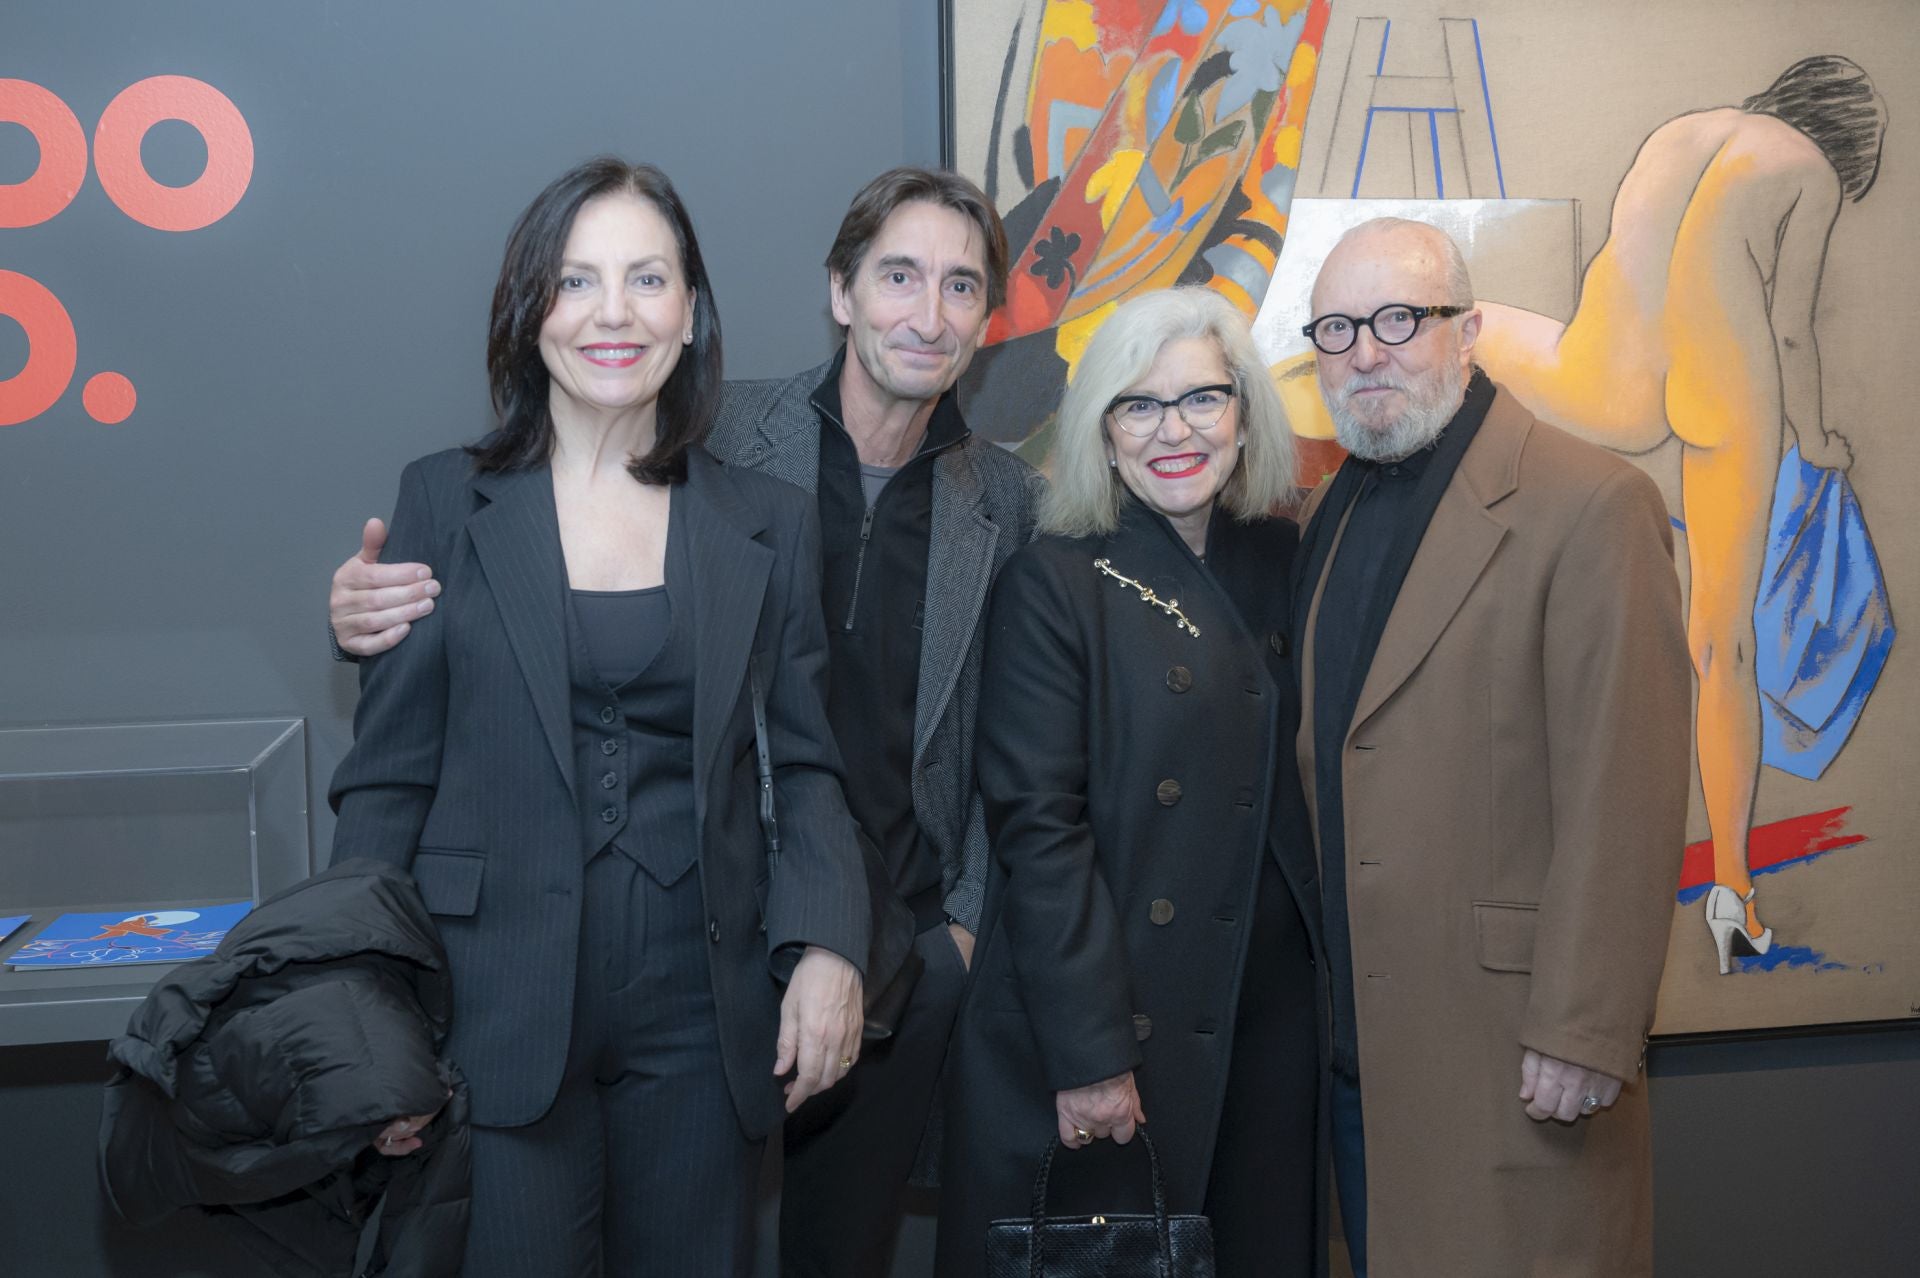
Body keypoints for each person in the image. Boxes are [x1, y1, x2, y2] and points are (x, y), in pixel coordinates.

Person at [326, 167, 1042, 1277]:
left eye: (647, 278)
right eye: (577, 281)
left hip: (700, 1024)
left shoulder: (756, 518)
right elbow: (385, 788)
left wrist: (824, 945)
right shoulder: (443, 502)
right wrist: (361, 1029)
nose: (615, 311)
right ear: (529, 312)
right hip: (493, 1008)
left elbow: (808, 770)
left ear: (691, 309)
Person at [1293, 217, 1691, 1275]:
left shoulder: (1592, 502)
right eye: (1337, 328)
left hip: (1515, 1051)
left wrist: (1586, 1025)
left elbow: (1631, 787)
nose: (1366, 352)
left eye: (1397, 320)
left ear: (1466, 330)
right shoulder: (1331, 508)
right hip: (1359, 1055)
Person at [937, 287, 1323, 1277]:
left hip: (1265, 1023)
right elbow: (1038, 832)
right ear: (1101, 436)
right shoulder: (1053, 581)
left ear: (1245, 414)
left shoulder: (1289, 560)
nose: (1175, 431)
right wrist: (1092, 1056)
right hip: (1104, 1033)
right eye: (1138, 407)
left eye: (1201, 398)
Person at [1470, 55, 1887, 970]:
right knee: (1721, 642)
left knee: (1482, 328)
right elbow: (1785, 327)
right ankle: (1733, 893)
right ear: (1847, 145)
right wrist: (1814, 440)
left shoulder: (1679, 130)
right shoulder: (1809, 172)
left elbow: (1621, 266)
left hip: (1611, 376)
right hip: (1724, 385)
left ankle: (1406, 339)